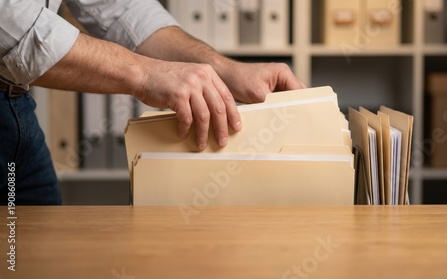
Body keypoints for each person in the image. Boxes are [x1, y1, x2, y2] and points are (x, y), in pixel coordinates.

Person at [0, 0, 306, 205]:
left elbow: (119, 8)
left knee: (33, 258)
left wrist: (226, 70)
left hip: (17, 111)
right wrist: (145, 75)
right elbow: (11, 23)